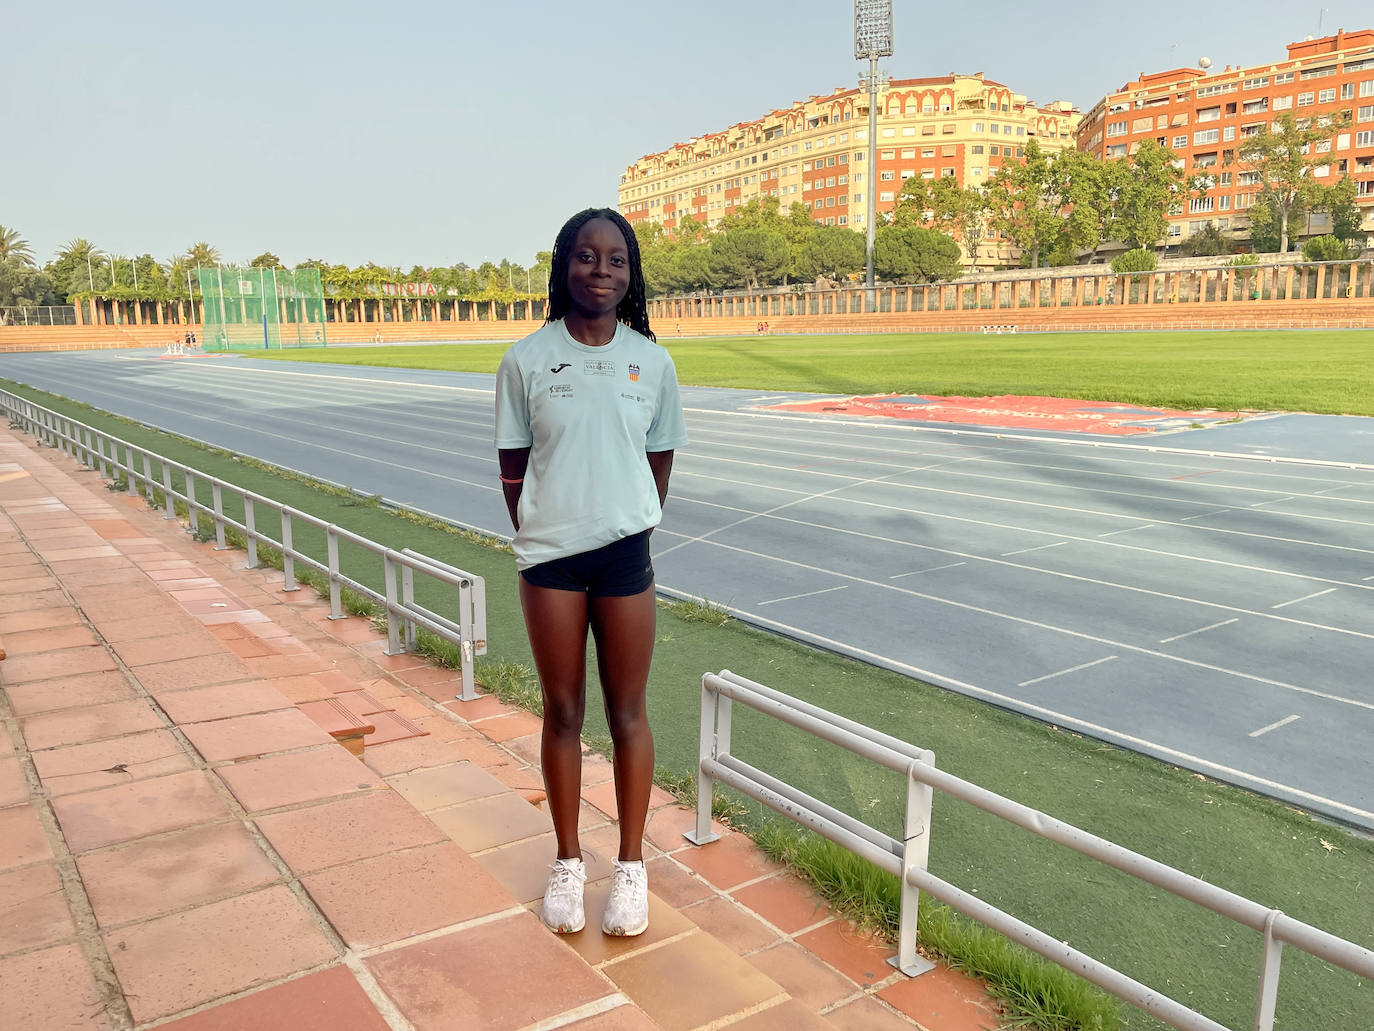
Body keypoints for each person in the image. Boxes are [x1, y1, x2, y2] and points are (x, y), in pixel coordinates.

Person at [494, 207, 687, 938]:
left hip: (624, 557)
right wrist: (550, 526)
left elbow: (660, 457)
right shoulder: (527, 359)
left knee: (628, 712)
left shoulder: (653, 362)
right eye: (585, 257)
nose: (600, 271)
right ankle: (569, 862)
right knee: (564, 712)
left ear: (630, 274)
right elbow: (513, 466)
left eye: (615, 260)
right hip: (549, 560)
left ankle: (631, 868)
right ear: (563, 266)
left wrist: (625, 515)